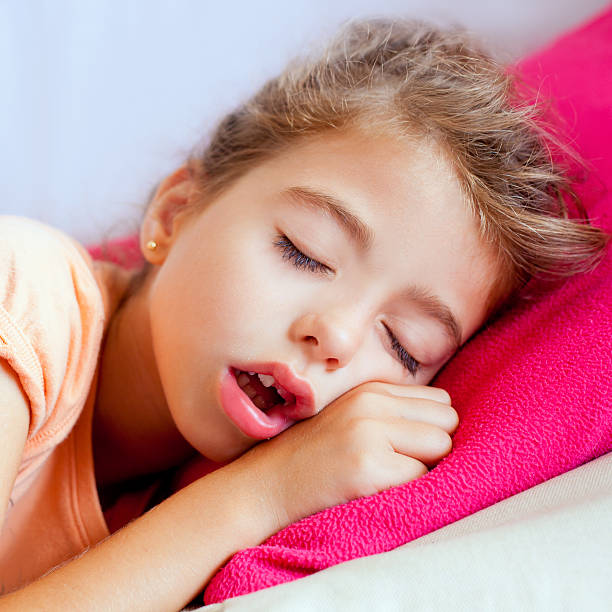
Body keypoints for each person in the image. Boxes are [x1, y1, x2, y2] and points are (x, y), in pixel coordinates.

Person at [0, 18, 608, 611]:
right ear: (176, 212)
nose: (336, 334)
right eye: (304, 253)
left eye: (403, 345)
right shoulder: (21, 292)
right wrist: (261, 495)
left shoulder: (166, 494)